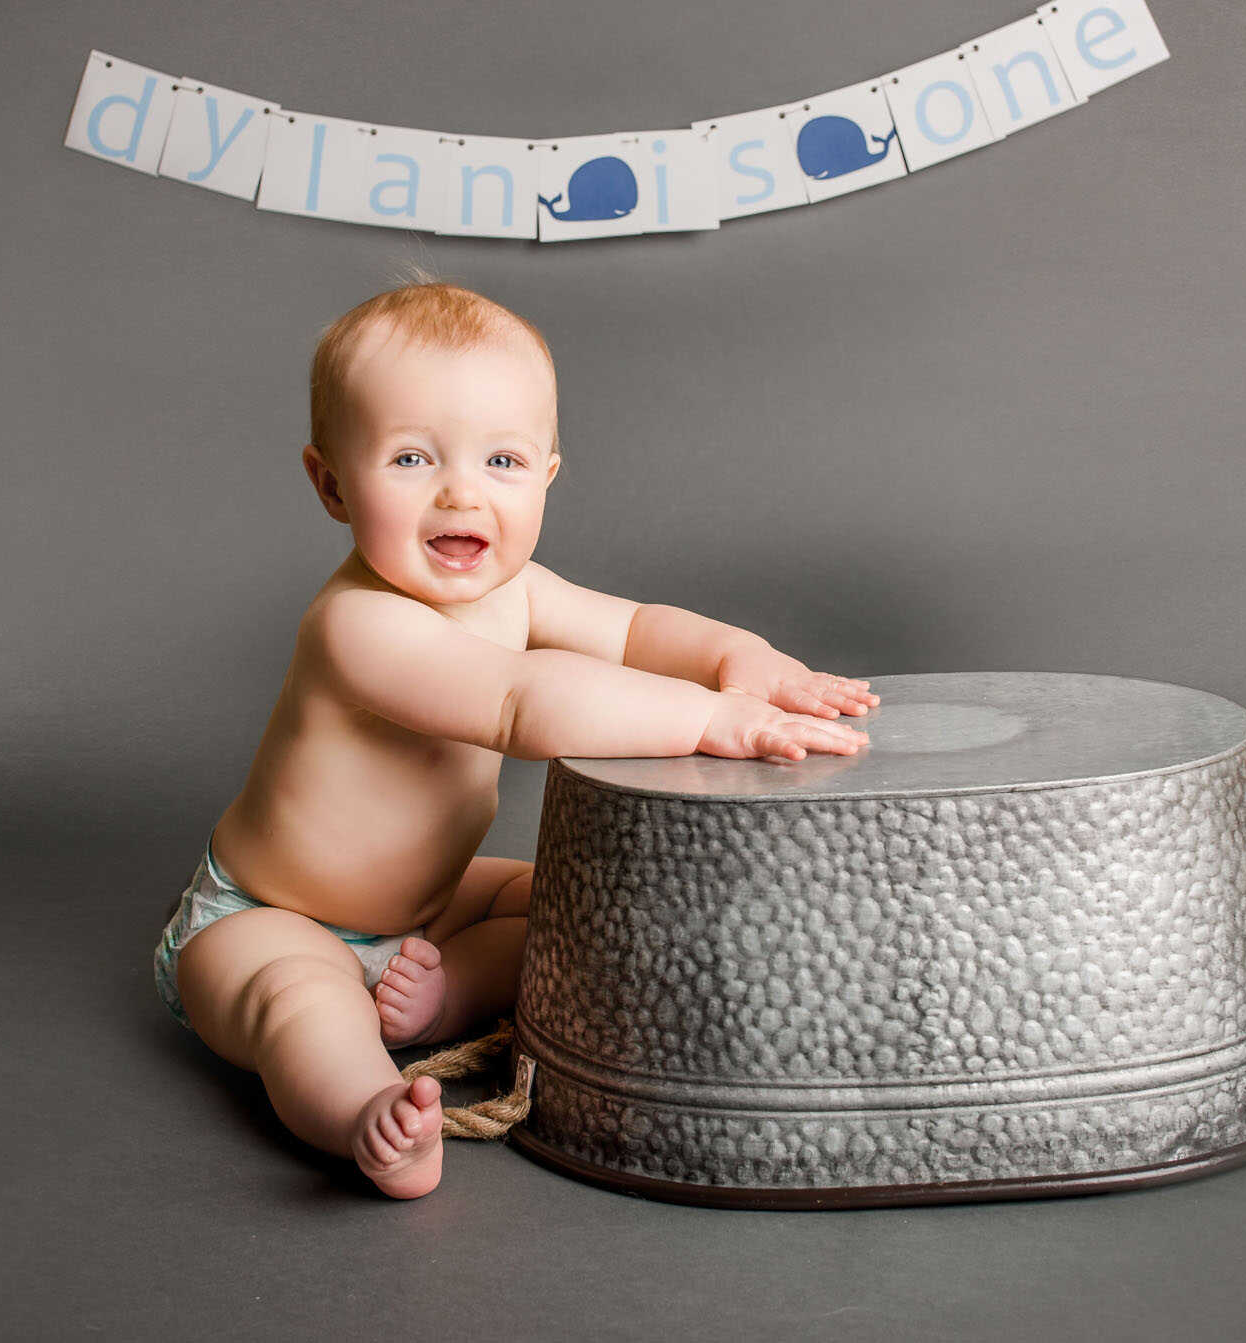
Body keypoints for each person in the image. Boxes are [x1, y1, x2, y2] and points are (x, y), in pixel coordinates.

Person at [151, 276, 879, 1198]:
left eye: (501, 461)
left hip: (430, 905)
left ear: (546, 475)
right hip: (271, 916)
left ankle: (444, 993)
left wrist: (742, 657)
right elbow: (520, 703)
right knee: (302, 1006)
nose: (461, 492)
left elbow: (636, 628)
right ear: (332, 482)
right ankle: (369, 1114)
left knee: (578, 900)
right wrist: (708, 717)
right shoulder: (357, 625)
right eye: (412, 460)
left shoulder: (519, 589)